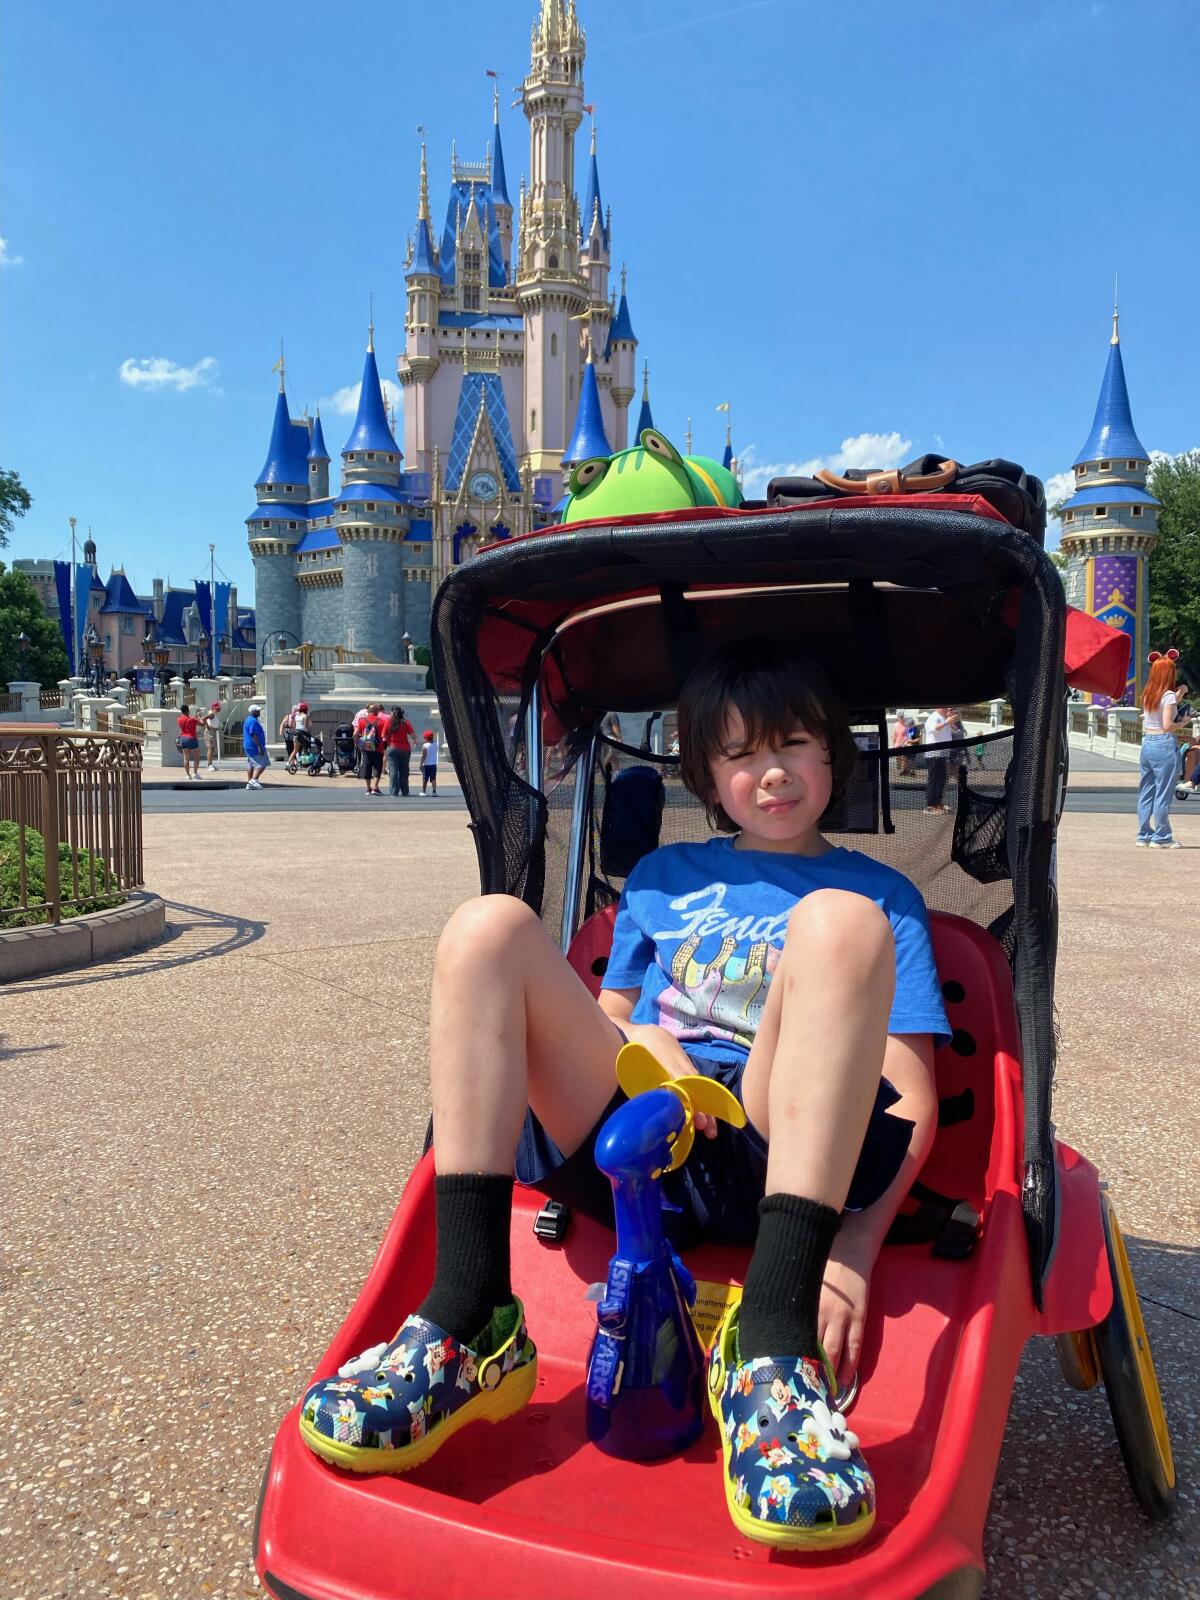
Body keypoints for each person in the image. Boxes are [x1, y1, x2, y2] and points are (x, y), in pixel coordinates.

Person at [298, 638, 948, 1550]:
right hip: (638, 1143)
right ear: (705, 775)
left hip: (778, 1141)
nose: (770, 774)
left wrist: (856, 1245)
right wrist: (648, 1042)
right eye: (738, 755)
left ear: (832, 755)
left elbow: (908, 1096)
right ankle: (473, 1312)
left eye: (793, 744)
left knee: (839, 924)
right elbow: (602, 1023)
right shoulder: (659, 881)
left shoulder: (877, 894)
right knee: (488, 926)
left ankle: (772, 1339)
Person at [1136, 651, 1188, 848]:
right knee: (1163, 792)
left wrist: (1179, 695)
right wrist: (1183, 722)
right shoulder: (1168, 697)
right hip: (1164, 744)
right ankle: (1162, 836)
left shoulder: (1148, 693)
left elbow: (1164, 706)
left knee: (1146, 790)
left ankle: (1143, 834)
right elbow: (1167, 725)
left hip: (1148, 743)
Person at [922, 706, 954, 813]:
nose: (947, 709)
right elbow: (935, 728)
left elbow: (955, 730)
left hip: (943, 753)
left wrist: (949, 720)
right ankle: (930, 805)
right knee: (934, 779)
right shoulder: (934, 717)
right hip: (933, 753)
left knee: (941, 779)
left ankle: (938, 803)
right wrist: (947, 722)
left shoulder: (944, 718)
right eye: (945, 707)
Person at [384, 705, 415, 796]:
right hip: (405, 748)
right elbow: (412, 734)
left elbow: (384, 736)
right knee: (404, 771)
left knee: (393, 770)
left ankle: (394, 791)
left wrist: (386, 743)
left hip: (393, 747)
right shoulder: (405, 722)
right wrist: (415, 741)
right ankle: (405, 791)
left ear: (392, 713)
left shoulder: (389, 722)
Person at [357, 702, 387, 795]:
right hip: (378, 748)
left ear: (368, 711)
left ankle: (368, 788)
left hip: (366, 748)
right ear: (377, 711)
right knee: (378, 768)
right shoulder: (382, 721)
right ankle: (375, 787)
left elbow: (355, 734)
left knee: (367, 767)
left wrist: (358, 744)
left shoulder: (362, 721)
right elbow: (385, 736)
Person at [243, 704, 270, 790]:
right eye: (257, 710)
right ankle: (254, 780)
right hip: (254, 746)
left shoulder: (250, 720)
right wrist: (259, 747)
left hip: (249, 746)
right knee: (263, 763)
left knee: (251, 764)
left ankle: (249, 782)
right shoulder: (252, 721)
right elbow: (253, 734)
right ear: (253, 712)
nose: (259, 712)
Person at [176, 702, 202, 779]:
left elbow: (185, 722)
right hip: (192, 738)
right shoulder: (192, 719)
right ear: (188, 710)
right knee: (196, 757)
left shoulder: (179, 719)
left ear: (181, 711)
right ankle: (195, 773)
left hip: (183, 739)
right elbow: (202, 724)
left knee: (186, 758)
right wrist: (199, 716)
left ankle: (187, 775)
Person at [204, 701, 222, 771]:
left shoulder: (213, 713)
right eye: (217, 707)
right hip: (210, 732)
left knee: (212, 749)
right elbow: (204, 718)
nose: (219, 708)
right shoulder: (211, 714)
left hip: (213, 732)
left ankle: (210, 764)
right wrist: (207, 726)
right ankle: (209, 765)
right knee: (210, 748)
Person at [420, 728, 439, 795]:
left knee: (425, 778)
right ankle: (434, 791)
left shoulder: (425, 746)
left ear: (426, 738)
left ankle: (423, 791)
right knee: (433, 778)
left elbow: (423, 756)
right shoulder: (436, 744)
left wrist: (421, 764)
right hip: (433, 764)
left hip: (427, 765)